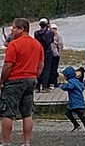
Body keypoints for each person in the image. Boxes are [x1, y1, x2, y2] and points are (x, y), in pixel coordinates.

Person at [0, 18, 44, 146]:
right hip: (31, 79)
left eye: (14, 28)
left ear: (21, 29)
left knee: (8, 113)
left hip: (14, 80)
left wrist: (2, 81)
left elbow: (8, 65)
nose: (12, 31)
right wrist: (34, 76)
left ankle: (6, 142)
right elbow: (41, 65)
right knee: (27, 113)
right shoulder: (37, 44)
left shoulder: (14, 44)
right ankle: (26, 142)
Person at [60, 66, 85, 137]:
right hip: (76, 101)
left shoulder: (71, 82)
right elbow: (82, 86)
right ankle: (76, 125)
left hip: (76, 102)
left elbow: (69, 87)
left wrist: (62, 86)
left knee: (80, 116)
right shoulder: (77, 81)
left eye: (65, 76)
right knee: (70, 113)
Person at [33, 18, 54, 93]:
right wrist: (50, 27)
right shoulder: (50, 32)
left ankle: (37, 87)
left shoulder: (36, 33)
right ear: (47, 24)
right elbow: (51, 41)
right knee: (46, 70)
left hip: (39, 52)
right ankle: (45, 87)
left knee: (38, 68)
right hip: (48, 52)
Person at [49, 23, 64, 88]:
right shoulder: (48, 36)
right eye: (52, 28)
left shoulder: (58, 37)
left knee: (54, 69)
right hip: (49, 54)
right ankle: (49, 82)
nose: (54, 30)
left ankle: (54, 82)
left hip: (55, 54)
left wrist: (59, 54)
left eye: (55, 29)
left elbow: (60, 45)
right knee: (49, 69)